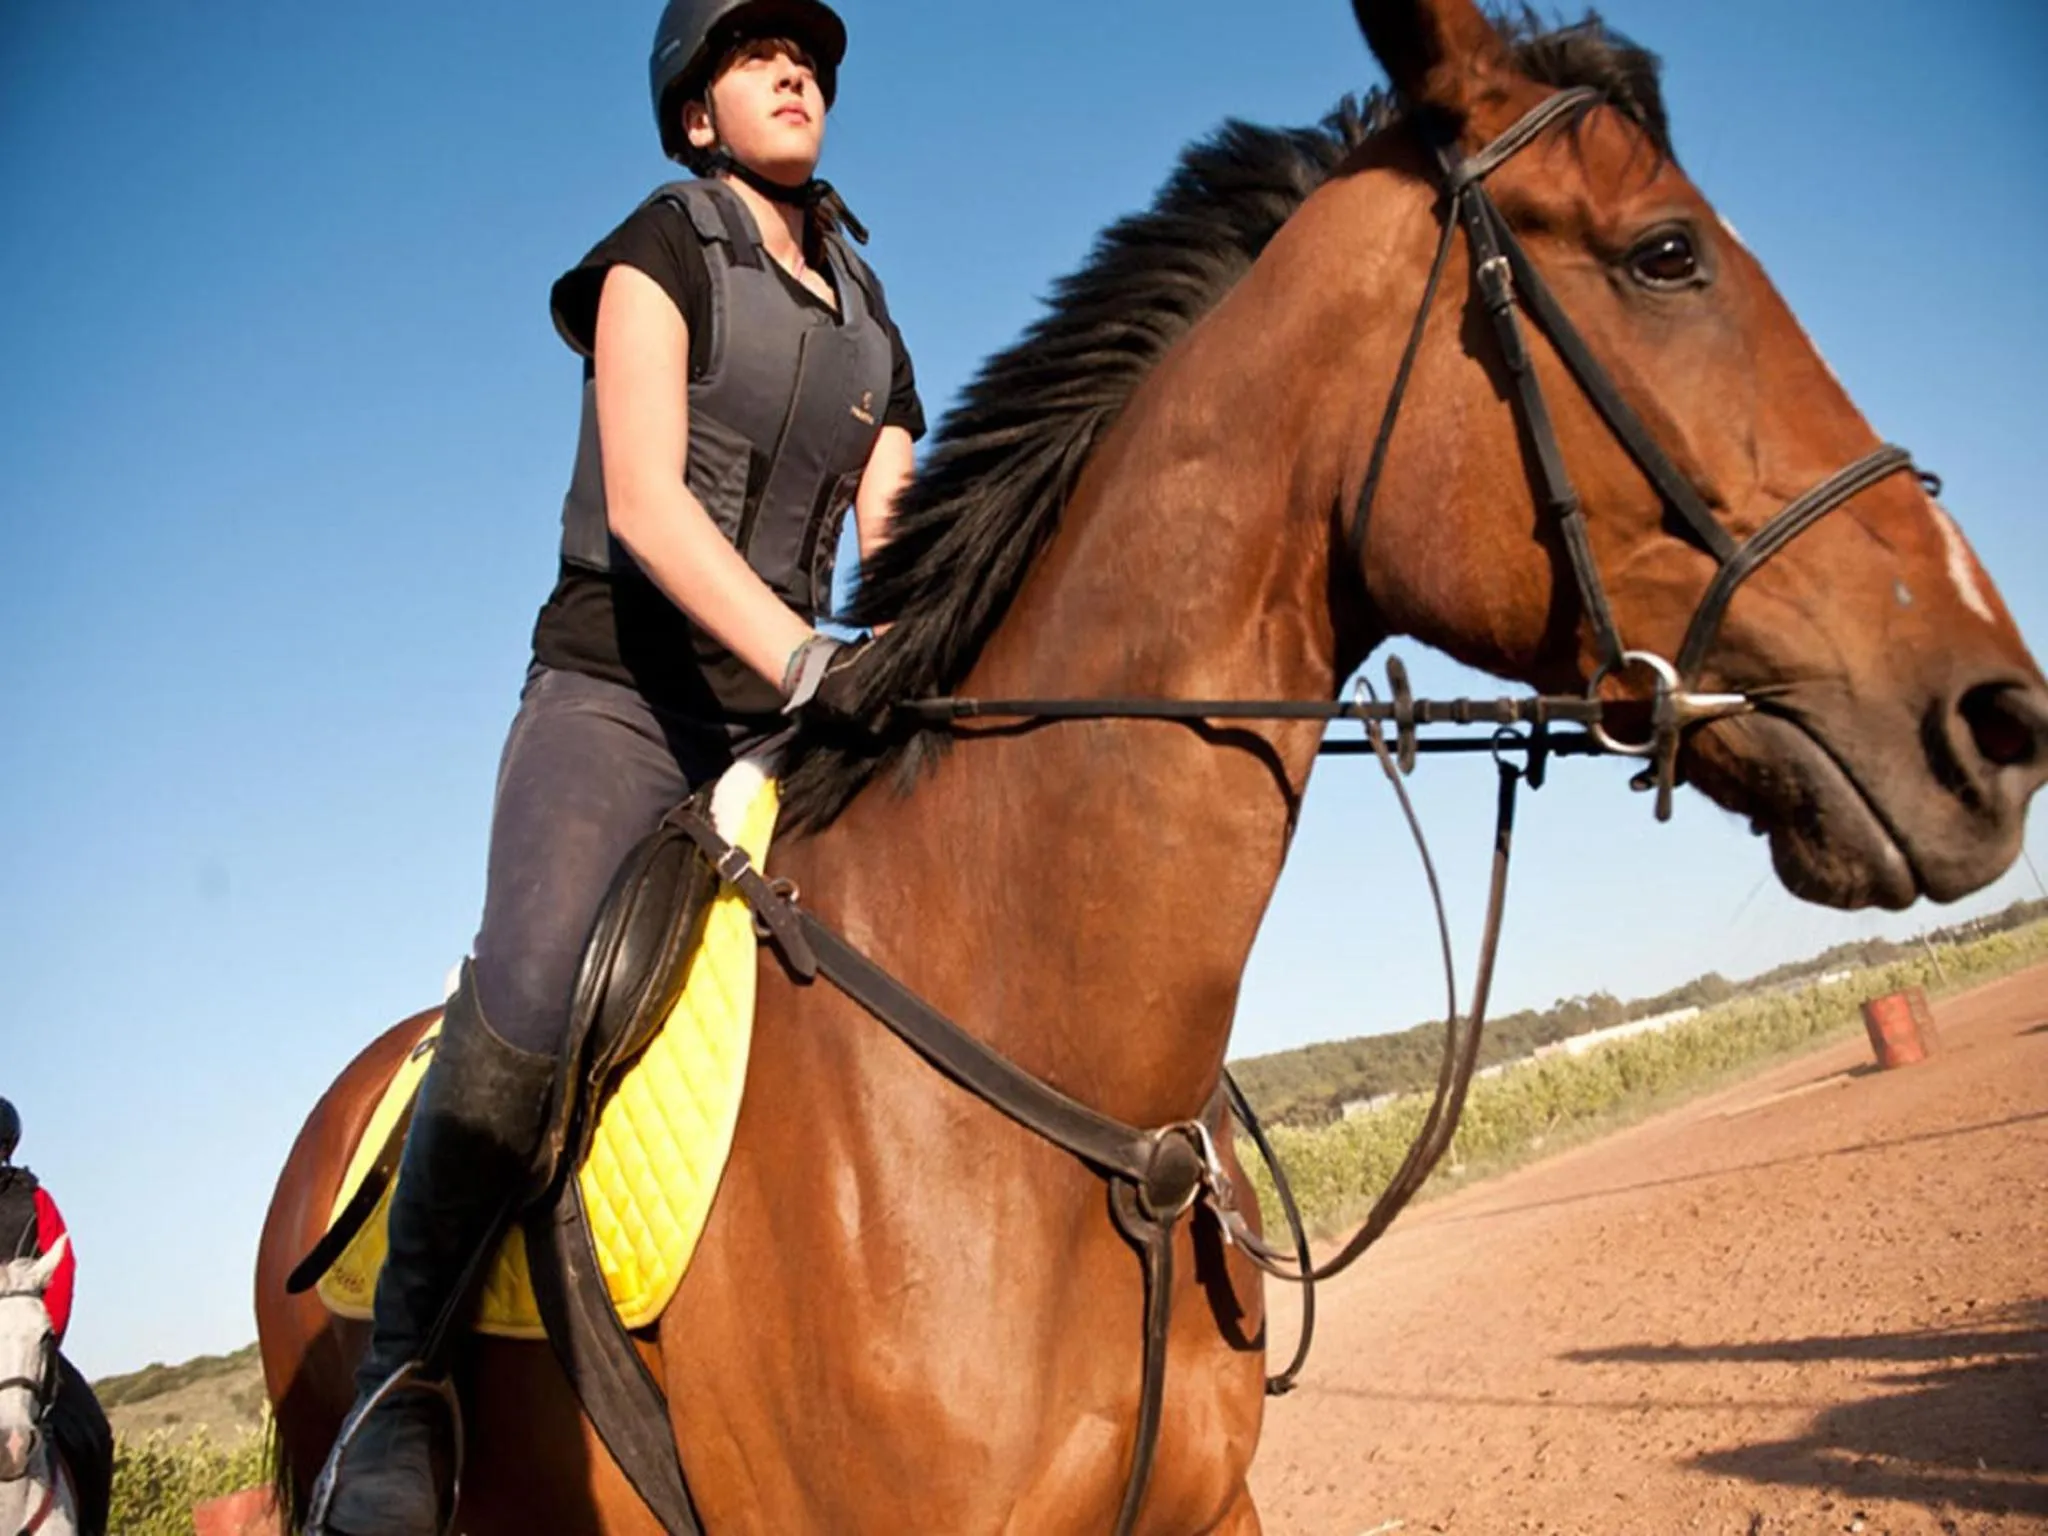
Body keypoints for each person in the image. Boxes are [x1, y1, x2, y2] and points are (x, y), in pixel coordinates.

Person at [311, 2, 925, 1531]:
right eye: (758, 53)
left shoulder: (872, 317)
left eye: (814, 56)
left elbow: (894, 542)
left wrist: (928, 660)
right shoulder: (655, 252)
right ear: (698, 116)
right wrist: (803, 656)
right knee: (527, 985)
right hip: (617, 699)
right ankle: (402, 1378)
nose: (797, 69)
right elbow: (648, 507)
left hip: (787, 724)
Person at [0, 1098, 114, 1536]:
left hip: (27, 1353)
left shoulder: (35, 1198)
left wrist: (45, 1341)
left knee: (94, 1432)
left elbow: (62, 1270)